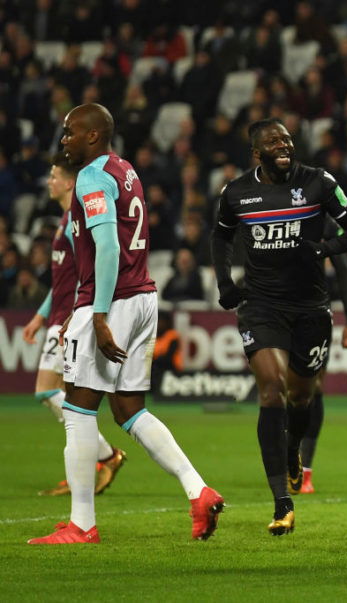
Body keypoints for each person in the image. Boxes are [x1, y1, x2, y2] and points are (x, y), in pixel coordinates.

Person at [28, 103, 223, 545]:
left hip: (112, 300)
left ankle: (82, 524)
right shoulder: (125, 170)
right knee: (129, 409)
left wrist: (96, 314)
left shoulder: (91, 177)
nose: (64, 140)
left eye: (71, 132)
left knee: (78, 409)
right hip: (142, 297)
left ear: (93, 135)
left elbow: (108, 247)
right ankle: (198, 490)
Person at [211, 117, 347, 535]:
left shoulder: (318, 182)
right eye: (273, 141)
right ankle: (282, 503)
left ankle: (294, 447)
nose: (283, 145)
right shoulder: (236, 192)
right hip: (261, 306)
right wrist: (225, 282)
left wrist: (323, 248)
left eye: (286, 139)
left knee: (302, 395)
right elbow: (220, 236)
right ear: (256, 153)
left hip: (311, 309)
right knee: (271, 388)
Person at [22, 152, 126, 498]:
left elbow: (87, 270)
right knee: (66, 394)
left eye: (54, 176)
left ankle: (104, 456)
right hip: (59, 316)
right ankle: (87, 463)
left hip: (70, 318)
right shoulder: (66, 220)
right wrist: (40, 315)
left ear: (69, 182)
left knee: (49, 391)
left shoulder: (76, 221)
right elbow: (61, 280)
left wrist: (80, 312)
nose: (49, 181)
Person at [286, 218, 347, 496]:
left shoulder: (324, 223)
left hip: (315, 314)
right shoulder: (274, 213)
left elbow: (343, 269)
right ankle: (287, 458)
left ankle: (305, 470)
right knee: (278, 387)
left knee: (312, 389)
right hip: (277, 313)